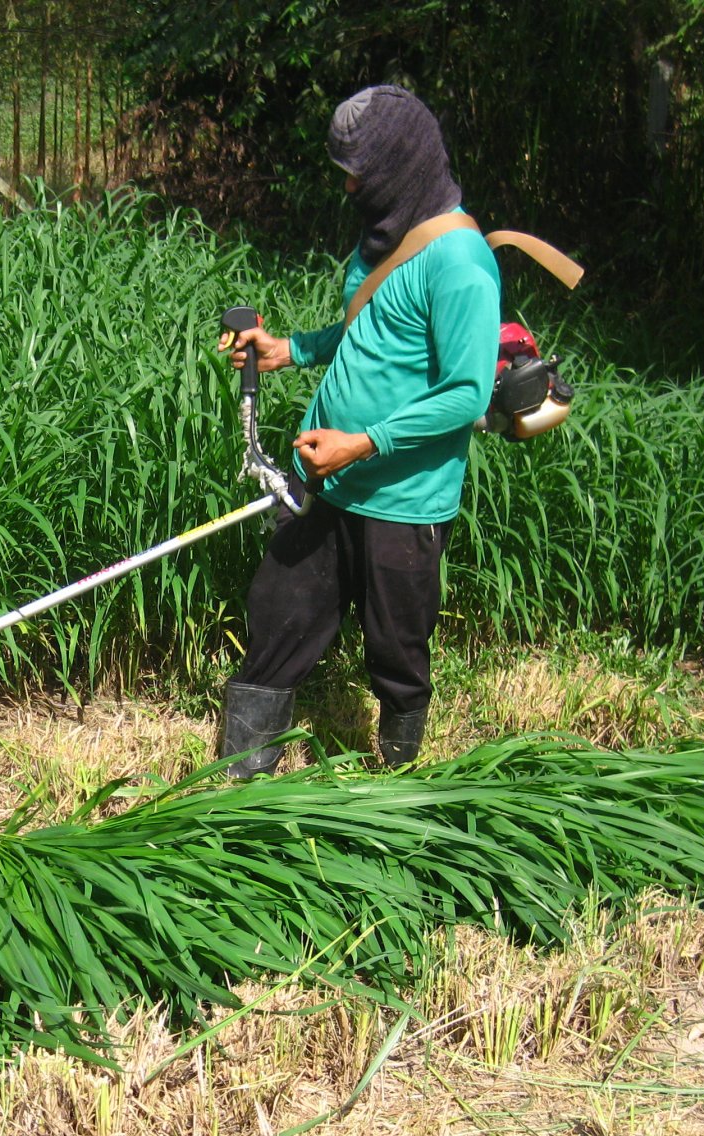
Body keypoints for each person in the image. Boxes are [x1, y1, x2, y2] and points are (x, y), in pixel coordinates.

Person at [220, 85, 500, 774]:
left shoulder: (460, 263)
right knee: (278, 614)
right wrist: (291, 349)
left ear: (399, 167)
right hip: (327, 477)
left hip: (403, 500)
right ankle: (237, 785)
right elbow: (369, 331)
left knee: (396, 650)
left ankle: (394, 782)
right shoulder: (384, 233)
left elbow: (466, 394)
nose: (348, 187)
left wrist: (363, 443)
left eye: (358, 174)